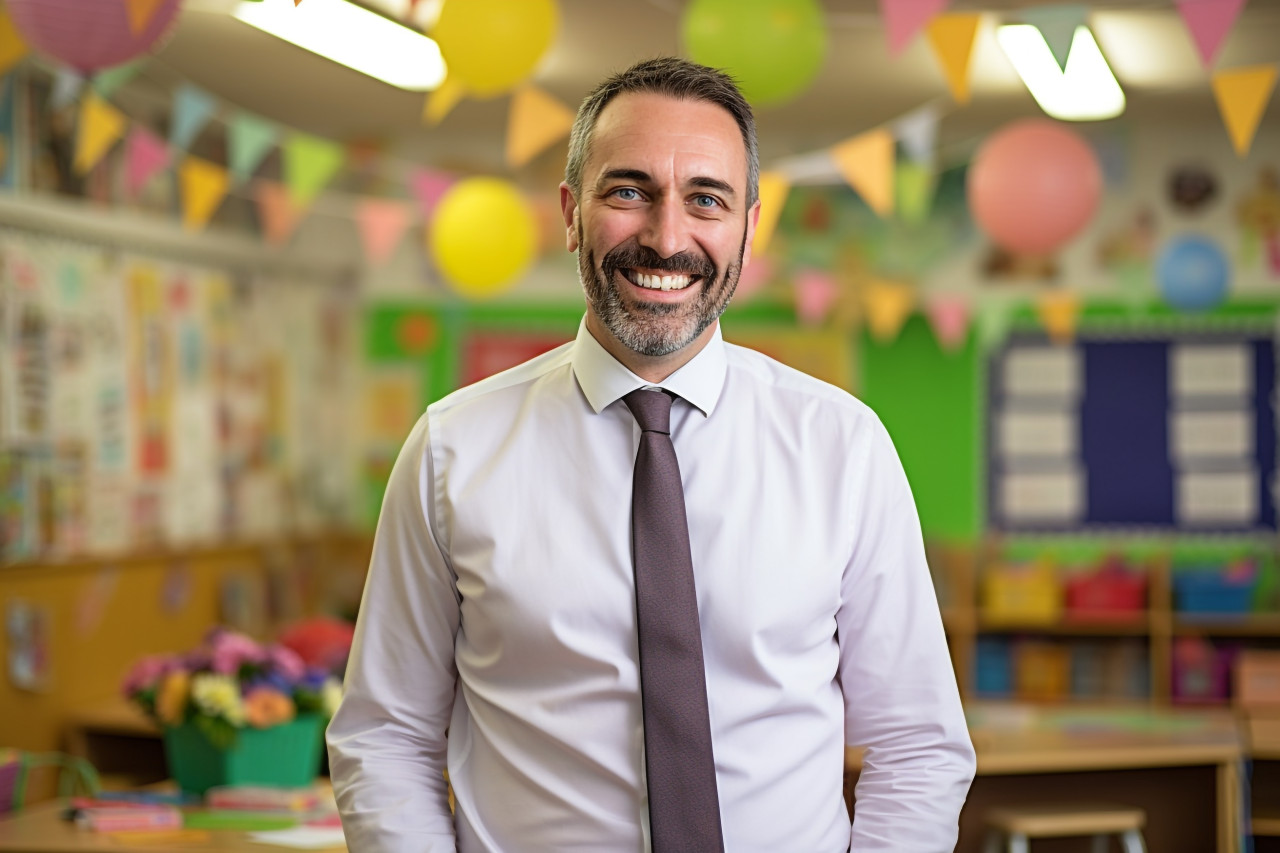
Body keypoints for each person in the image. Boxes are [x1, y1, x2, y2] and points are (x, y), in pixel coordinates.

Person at [327, 57, 975, 852]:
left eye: (706, 199)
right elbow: (386, 735)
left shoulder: (843, 446)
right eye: (629, 192)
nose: (668, 238)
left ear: (748, 227)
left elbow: (918, 743)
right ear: (571, 214)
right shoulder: (451, 451)